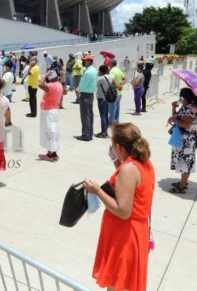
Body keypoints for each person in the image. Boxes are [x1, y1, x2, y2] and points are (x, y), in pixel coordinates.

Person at [84, 123, 155, 291]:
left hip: (125, 236)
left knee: (118, 285)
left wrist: (97, 190)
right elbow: (129, 188)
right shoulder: (141, 162)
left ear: (118, 147)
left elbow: (123, 211)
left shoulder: (128, 170)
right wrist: (117, 161)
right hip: (133, 231)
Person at [168, 88, 197, 194]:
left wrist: (174, 120)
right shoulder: (187, 107)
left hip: (187, 140)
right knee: (184, 162)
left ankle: (182, 187)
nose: (180, 99)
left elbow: (186, 124)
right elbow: (178, 118)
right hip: (184, 139)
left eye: (181, 97)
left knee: (186, 163)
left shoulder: (190, 109)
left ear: (185, 97)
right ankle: (182, 182)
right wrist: (173, 108)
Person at [38, 68, 63, 161]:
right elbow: (64, 92)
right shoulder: (59, 84)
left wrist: (45, 75)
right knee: (54, 131)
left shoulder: (51, 86)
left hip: (48, 111)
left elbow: (40, 84)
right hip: (55, 110)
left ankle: (49, 154)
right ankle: (54, 152)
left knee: (49, 131)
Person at [75, 55, 97, 141]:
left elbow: (83, 83)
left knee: (85, 116)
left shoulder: (88, 72)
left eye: (85, 60)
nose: (84, 62)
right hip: (90, 94)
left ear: (89, 61)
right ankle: (89, 133)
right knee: (89, 115)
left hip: (85, 94)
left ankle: (86, 134)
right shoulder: (94, 70)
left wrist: (78, 89)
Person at [95, 65, 112, 139]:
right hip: (107, 98)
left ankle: (103, 132)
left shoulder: (101, 78)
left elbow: (95, 84)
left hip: (101, 98)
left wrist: (98, 75)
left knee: (102, 115)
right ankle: (105, 131)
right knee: (105, 114)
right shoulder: (110, 77)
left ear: (101, 71)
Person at [108, 59, 127, 125]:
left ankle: (111, 123)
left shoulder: (112, 71)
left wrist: (118, 86)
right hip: (119, 93)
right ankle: (116, 121)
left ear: (111, 64)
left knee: (112, 108)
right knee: (117, 108)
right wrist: (121, 84)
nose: (108, 65)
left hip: (114, 93)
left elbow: (111, 80)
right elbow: (125, 79)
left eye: (109, 63)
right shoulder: (119, 70)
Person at [2, 60, 14, 126]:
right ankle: (9, 121)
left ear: (8, 67)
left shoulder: (7, 74)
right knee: (7, 108)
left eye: (5, 66)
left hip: (5, 93)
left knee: (4, 109)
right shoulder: (11, 73)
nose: (5, 67)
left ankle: (7, 121)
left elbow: (3, 84)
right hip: (9, 92)